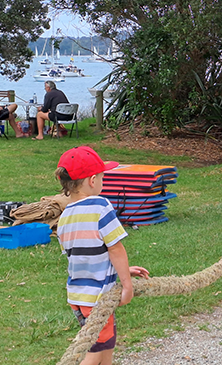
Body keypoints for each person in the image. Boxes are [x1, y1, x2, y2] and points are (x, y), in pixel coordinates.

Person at [55, 146, 149, 364]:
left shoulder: (65, 216)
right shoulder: (101, 206)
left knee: (104, 344)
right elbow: (115, 248)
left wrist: (124, 270)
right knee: (94, 351)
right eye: (103, 176)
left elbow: (86, 255)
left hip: (78, 297)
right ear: (92, 180)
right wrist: (127, 285)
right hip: (97, 297)